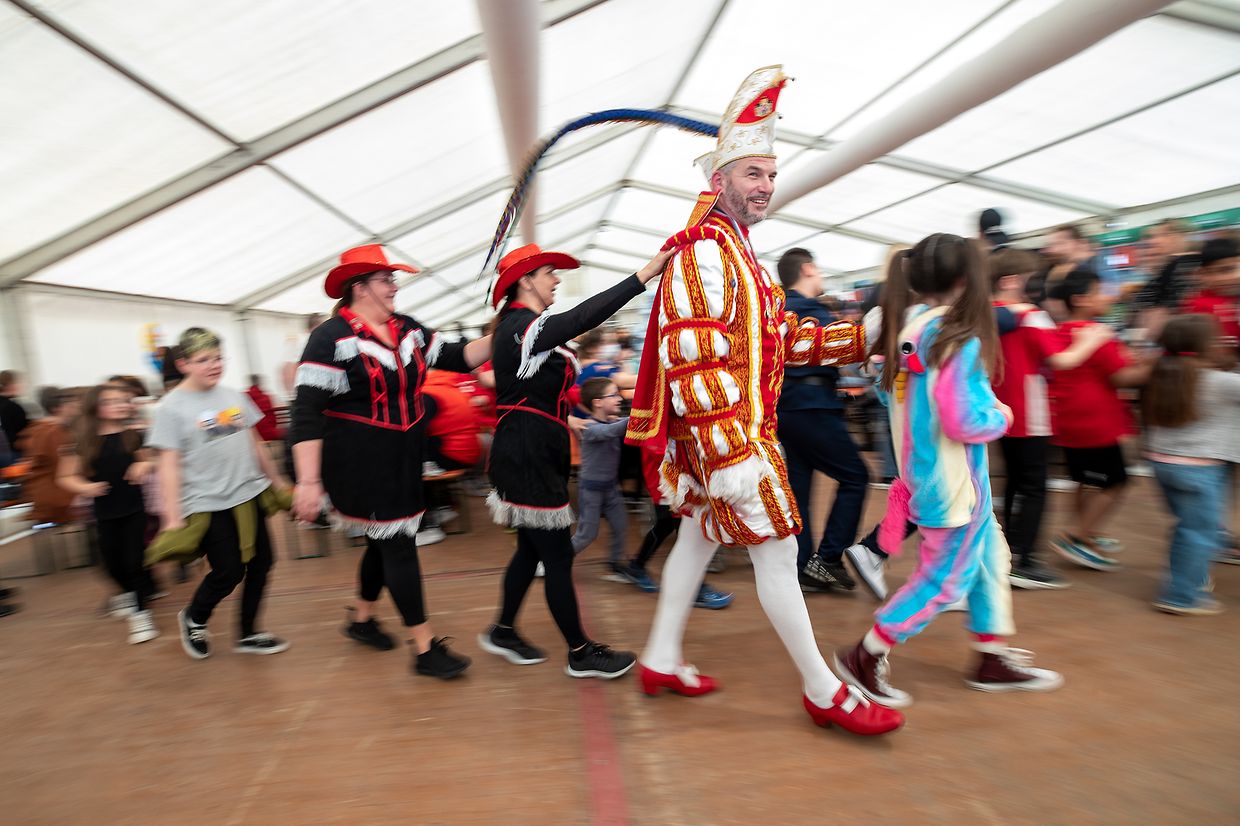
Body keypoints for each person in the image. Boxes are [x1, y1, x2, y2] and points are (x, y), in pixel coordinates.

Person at [625, 65, 901, 735]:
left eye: (770, 175)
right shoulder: (704, 254)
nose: (766, 186)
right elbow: (691, 359)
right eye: (753, 174)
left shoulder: (741, 255)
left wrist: (864, 336)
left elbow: (785, 341)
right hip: (731, 440)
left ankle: (661, 655)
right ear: (719, 183)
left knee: (695, 537)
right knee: (779, 549)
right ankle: (823, 689)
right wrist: (730, 454)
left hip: (732, 437)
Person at [834, 233, 1063, 709]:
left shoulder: (908, 327)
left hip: (933, 476)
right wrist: (1001, 414)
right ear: (966, 278)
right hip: (953, 482)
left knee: (988, 562)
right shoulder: (958, 337)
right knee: (945, 580)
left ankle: (991, 655)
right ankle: (866, 654)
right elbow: (964, 419)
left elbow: (887, 395)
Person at [291, 245, 490, 679]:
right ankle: (424, 648)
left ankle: (361, 620)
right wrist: (307, 482)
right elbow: (305, 414)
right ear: (359, 288)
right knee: (398, 545)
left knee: (386, 541)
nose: (394, 286)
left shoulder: (407, 329)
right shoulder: (331, 337)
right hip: (358, 461)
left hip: (403, 457)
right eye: (386, 280)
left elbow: (458, 356)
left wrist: (511, 329)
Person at [478, 242, 671, 679]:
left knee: (531, 550)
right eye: (549, 272)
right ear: (525, 281)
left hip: (536, 447)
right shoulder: (521, 324)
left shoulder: (525, 328)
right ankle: (581, 651)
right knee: (557, 555)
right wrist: (642, 277)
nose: (557, 279)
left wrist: (567, 419)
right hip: (526, 451)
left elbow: (534, 390)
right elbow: (582, 317)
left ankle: (503, 630)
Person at [150, 327, 291, 660]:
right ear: (183, 363)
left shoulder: (233, 395)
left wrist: (277, 480)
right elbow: (167, 466)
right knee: (228, 570)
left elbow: (254, 442)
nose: (214, 365)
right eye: (203, 360)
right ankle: (195, 616)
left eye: (218, 358)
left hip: (248, 493)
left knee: (262, 564)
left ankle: (249, 632)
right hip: (207, 502)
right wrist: (171, 517)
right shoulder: (171, 408)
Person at [990, 249, 1114, 589]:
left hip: (998, 410)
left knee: (1014, 481)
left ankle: (1009, 552)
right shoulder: (1030, 315)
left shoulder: (988, 315)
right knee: (1033, 486)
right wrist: (1090, 339)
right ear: (1013, 280)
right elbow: (1061, 360)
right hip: (1030, 412)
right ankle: (1024, 559)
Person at [775, 247, 868, 593]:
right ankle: (827, 558)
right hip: (811, 404)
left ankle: (802, 565)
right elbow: (848, 346)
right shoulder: (808, 312)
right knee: (856, 476)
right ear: (809, 268)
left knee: (800, 485)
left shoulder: (779, 309)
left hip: (788, 407)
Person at [1047, 270, 1151, 571]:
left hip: (1070, 419)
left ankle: (1086, 531)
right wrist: (1153, 368)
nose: (1107, 296)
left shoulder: (1059, 331)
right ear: (1080, 299)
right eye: (1100, 291)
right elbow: (1122, 376)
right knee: (1116, 481)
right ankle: (1076, 535)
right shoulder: (1097, 334)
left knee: (1086, 479)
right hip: (1096, 421)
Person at [1143, 314, 1240, 615]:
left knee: (1189, 527)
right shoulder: (1222, 382)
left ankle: (1191, 579)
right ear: (1206, 345)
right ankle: (1181, 596)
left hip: (1163, 463)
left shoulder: (1162, 372)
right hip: (1201, 468)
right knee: (1199, 531)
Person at [58, 384, 158, 644]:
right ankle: (127, 594)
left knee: (134, 562)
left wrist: (143, 465)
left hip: (135, 509)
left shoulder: (132, 436)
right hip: (105, 513)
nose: (120, 405)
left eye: (122, 400)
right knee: (112, 564)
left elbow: (150, 459)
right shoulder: (82, 442)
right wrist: (86, 487)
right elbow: (66, 476)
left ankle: (140, 616)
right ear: (96, 407)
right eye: (111, 401)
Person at [613, 449, 733, 609]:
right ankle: (695, 588)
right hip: (667, 480)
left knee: (666, 526)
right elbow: (656, 448)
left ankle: (637, 566)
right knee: (684, 531)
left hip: (672, 478)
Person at [569, 378, 631, 572]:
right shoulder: (589, 428)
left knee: (620, 526)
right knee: (586, 535)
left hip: (611, 488)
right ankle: (553, 561)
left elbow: (618, 425)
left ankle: (615, 563)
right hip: (591, 491)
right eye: (613, 395)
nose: (619, 398)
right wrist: (640, 415)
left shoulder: (611, 421)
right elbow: (611, 431)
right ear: (598, 402)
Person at [419, 369, 485, 545]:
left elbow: (418, 431)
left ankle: (428, 527)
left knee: (407, 468)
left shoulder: (428, 394)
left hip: (451, 454)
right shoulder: (451, 389)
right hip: (468, 453)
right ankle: (443, 506)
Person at [18, 386, 81, 526]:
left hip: (41, 494)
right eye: (72, 405)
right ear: (58, 408)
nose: (76, 410)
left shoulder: (36, 429)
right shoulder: (54, 433)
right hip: (57, 496)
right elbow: (63, 470)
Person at [1182, 238, 1240, 358]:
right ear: (1203, 274)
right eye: (1225, 270)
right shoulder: (1198, 307)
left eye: (1237, 268)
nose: (1235, 276)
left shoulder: (1233, 299)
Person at [245, 375, 284, 443]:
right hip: (271, 433)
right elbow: (275, 420)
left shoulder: (244, 396)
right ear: (260, 383)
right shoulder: (267, 397)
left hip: (255, 437)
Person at [0, 370, 30, 453]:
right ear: (10, 385)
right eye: (19, 383)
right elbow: (23, 431)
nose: (22, 386)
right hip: (14, 453)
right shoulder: (13, 407)